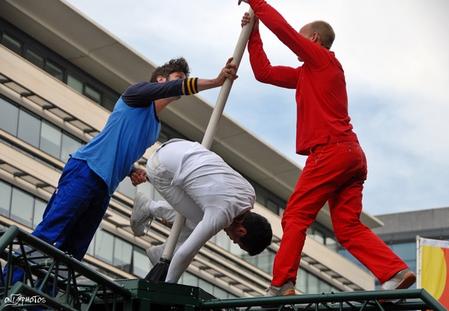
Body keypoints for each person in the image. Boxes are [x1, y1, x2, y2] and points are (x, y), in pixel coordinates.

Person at [240, 0, 415, 295]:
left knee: (295, 216)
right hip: (351, 156)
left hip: (331, 152)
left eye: (301, 36)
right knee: (347, 228)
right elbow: (264, 72)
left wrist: (257, 3)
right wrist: (254, 31)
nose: (297, 40)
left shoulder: (322, 60)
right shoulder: (308, 74)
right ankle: (396, 272)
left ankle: (283, 282)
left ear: (314, 40)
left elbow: (283, 32)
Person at [28, 57, 238, 262]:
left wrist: (131, 170)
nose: (179, 83)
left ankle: (48, 294)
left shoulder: (154, 129)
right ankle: (8, 287)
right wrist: (216, 82)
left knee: (74, 252)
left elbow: (121, 148)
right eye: (177, 78)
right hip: (86, 170)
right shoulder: (136, 94)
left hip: (104, 187)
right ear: (160, 80)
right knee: (50, 232)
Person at [130, 139, 273, 283]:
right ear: (242, 231)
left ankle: (161, 243)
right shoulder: (222, 214)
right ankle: (149, 208)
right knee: (198, 223)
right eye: (237, 242)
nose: (233, 241)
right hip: (161, 168)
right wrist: (168, 285)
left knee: (200, 220)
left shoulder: (249, 194)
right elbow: (185, 253)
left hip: (181, 147)